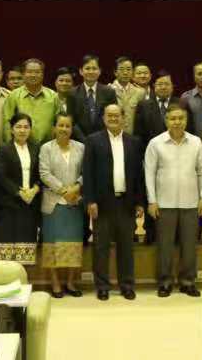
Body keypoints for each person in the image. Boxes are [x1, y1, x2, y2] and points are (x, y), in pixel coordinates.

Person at [82, 104, 145, 301]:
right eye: (109, 115)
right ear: (103, 118)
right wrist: (90, 200)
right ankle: (102, 286)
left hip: (126, 202)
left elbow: (139, 174)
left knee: (126, 247)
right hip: (102, 203)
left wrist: (140, 202)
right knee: (101, 247)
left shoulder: (134, 142)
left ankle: (127, 285)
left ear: (123, 118)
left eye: (117, 115)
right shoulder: (93, 141)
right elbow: (88, 172)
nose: (113, 118)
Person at [145, 104, 202, 298]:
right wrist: (152, 200)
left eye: (181, 118)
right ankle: (165, 282)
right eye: (173, 118)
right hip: (164, 203)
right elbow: (149, 173)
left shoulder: (196, 142)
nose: (177, 122)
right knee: (165, 246)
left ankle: (188, 282)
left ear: (186, 120)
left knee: (189, 246)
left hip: (191, 202)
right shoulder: (155, 143)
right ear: (166, 121)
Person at [39, 113, 85, 297]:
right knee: (52, 245)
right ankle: (56, 283)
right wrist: (64, 191)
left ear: (72, 129)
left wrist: (77, 187)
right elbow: (44, 173)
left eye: (67, 126)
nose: (64, 129)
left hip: (75, 203)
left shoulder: (81, 147)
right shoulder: (46, 148)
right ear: (54, 128)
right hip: (53, 203)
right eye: (60, 125)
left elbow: (86, 171)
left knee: (74, 244)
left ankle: (71, 283)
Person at [134, 70, 179, 244]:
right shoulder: (144, 105)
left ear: (172, 86)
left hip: (176, 160)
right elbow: (138, 135)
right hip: (151, 160)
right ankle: (151, 235)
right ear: (154, 87)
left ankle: (175, 238)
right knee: (152, 198)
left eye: (166, 84)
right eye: (159, 84)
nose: (163, 87)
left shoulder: (180, 104)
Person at [0, 113, 40, 265]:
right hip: (9, 204)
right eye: (18, 127)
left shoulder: (36, 148)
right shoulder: (3, 149)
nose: (22, 130)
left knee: (26, 247)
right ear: (11, 129)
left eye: (26, 127)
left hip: (30, 204)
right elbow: (1, 176)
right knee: (8, 251)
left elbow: (40, 174)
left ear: (30, 129)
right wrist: (19, 192)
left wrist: (34, 190)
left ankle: (24, 278)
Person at [3, 58, 60, 146]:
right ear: (23, 74)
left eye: (37, 72)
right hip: (21, 146)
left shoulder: (53, 96)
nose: (33, 75)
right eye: (29, 72)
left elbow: (59, 123)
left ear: (42, 74)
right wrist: (12, 147)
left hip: (48, 147)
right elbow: (7, 123)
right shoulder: (13, 96)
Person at [70, 54, 117, 142]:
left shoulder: (109, 92)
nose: (91, 71)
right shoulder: (72, 93)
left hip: (104, 140)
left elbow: (112, 117)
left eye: (94, 68)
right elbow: (72, 121)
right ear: (81, 71)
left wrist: (99, 139)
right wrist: (85, 140)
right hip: (79, 141)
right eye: (87, 68)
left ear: (99, 71)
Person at [110, 56, 145, 134]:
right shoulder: (107, 90)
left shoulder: (140, 92)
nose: (125, 72)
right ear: (115, 72)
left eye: (128, 69)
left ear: (132, 72)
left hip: (132, 136)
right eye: (121, 69)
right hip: (112, 134)